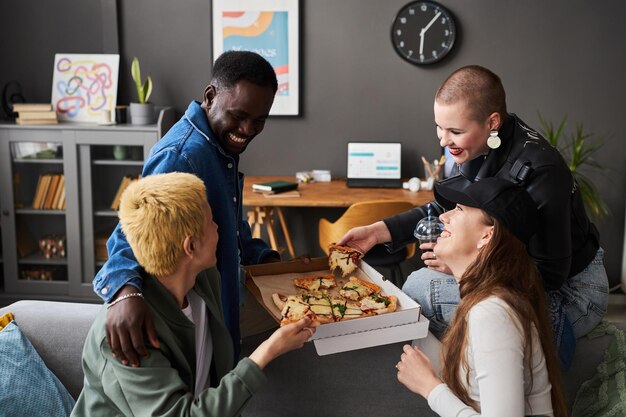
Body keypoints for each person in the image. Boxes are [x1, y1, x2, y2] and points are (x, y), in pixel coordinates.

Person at [338, 65, 608, 367]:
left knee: (419, 288)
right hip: (510, 273)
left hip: (572, 292)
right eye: (439, 127)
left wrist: (467, 268)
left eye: (455, 131)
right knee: (420, 283)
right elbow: (448, 209)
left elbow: (551, 275)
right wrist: (378, 232)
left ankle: (457, 385)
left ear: (492, 122)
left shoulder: (542, 171)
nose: (443, 140)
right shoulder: (475, 146)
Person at [93, 50, 281, 366]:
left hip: (223, 302)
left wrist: (267, 260)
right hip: (191, 316)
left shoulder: (219, 146)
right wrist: (124, 291)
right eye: (238, 116)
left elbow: (231, 226)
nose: (248, 130)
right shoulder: (181, 157)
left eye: (258, 121)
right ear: (210, 96)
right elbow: (130, 232)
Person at [72, 173, 315, 416]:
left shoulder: (203, 278)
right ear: (190, 247)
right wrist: (268, 351)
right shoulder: (129, 335)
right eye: (211, 221)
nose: (218, 226)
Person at [396, 177, 567, 417]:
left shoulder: (493, 312)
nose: (443, 217)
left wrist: (430, 388)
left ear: (487, 236)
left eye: (460, 209)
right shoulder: (481, 301)